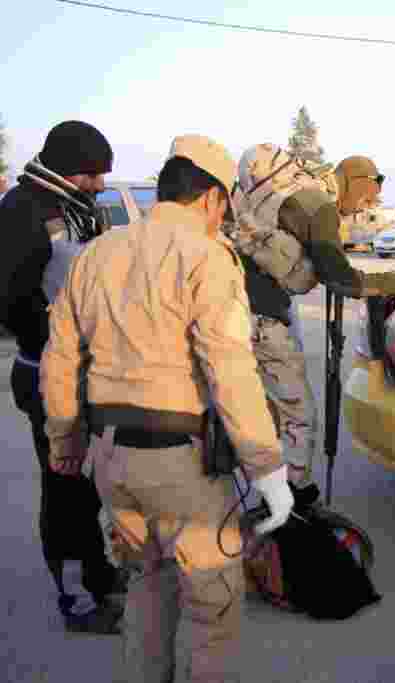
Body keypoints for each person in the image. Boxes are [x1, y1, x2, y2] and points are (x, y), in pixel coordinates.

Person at [40, 134, 292, 682]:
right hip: (184, 467)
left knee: (146, 588)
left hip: (111, 463)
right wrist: (268, 468)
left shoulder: (98, 253)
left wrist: (65, 446)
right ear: (211, 200)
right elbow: (231, 371)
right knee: (212, 611)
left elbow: (59, 360)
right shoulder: (207, 257)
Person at [229, 144, 395, 498]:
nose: (362, 209)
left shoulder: (294, 196)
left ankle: (269, 487)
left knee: (264, 409)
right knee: (299, 415)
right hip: (262, 319)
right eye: (366, 199)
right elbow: (341, 279)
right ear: (357, 183)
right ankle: (293, 500)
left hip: (233, 310)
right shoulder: (319, 207)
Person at [0, 120, 124, 633]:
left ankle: (97, 571)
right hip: (47, 372)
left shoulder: (76, 206)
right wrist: (65, 334)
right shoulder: (21, 210)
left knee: (87, 486)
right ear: (61, 165)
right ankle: (76, 599)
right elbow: (10, 301)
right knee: (64, 486)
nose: (98, 183)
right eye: (90, 173)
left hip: (87, 373)